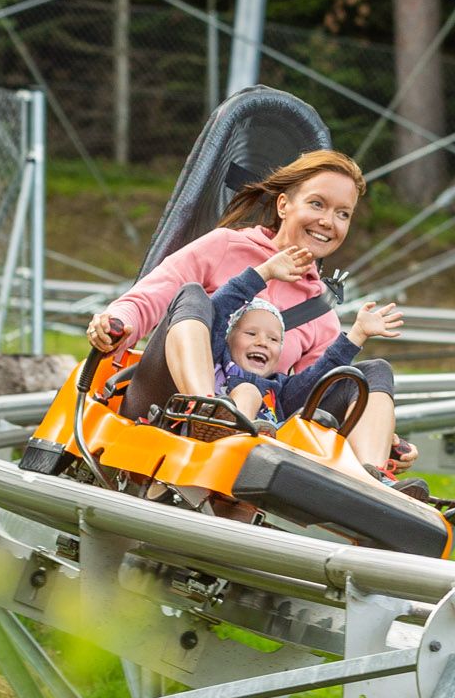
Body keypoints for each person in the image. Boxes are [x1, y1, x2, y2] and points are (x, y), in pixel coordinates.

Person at [86, 149, 416, 475]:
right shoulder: (224, 246)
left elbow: (306, 398)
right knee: (194, 296)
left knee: (371, 372)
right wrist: (116, 322)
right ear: (283, 205)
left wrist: (377, 431)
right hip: (163, 404)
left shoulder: (322, 314)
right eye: (317, 204)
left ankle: (372, 475)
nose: (328, 222)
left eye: (343, 214)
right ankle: (207, 411)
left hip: (254, 427)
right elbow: (148, 298)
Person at [202, 245, 405, 436]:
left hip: (269, 451)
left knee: (315, 419)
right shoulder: (214, 361)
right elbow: (218, 308)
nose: (262, 342)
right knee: (248, 391)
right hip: (217, 444)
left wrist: (357, 334)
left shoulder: (279, 390)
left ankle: (364, 469)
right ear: (229, 338)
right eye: (251, 334)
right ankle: (232, 432)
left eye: (273, 339)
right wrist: (264, 272)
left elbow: (321, 374)